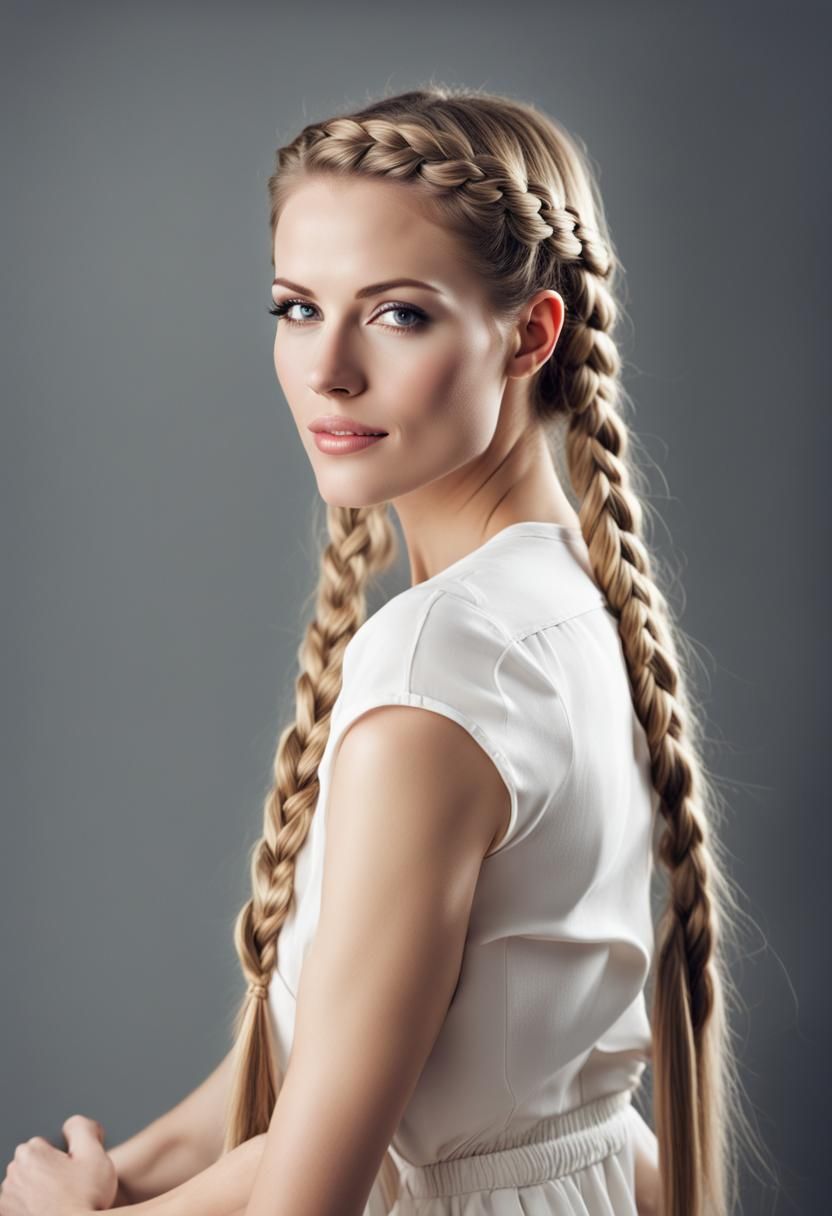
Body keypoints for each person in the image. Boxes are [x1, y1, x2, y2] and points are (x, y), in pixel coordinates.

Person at [1, 85, 764, 1216]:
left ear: (530, 333)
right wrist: (125, 1171)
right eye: (297, 307)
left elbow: (317, 1190)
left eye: (397, 313)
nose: (326, 370)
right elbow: (382, 1054)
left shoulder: (441, 670)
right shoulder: (578, 601)